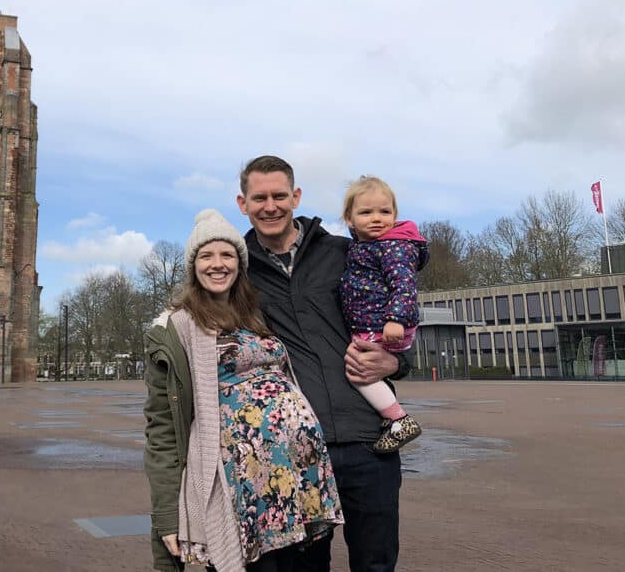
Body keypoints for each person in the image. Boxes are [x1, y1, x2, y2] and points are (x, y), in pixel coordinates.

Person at [236, 155, 411, 572]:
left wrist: (396, 364)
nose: (271, 205)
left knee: (375, 562)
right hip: (295, 446)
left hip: (366, 439)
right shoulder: (237, 268)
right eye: (259, 197)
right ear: (243, 203)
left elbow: (398, 314)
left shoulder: (345, 253)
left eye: (280, 195)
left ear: (296, 196)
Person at [144, 209, 343, 572]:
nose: (217, 264)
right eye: (206, 256)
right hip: (242, 490)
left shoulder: (257, 314)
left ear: (239, 263)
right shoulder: (175, 328)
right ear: (193, 266)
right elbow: (162, 430)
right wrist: (166, 516)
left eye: (227, 255)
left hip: (298, 479)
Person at [340, 176, 428, 453]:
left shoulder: (394, 247)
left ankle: (398, 419)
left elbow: (404, 285)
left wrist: (396, 319)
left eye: (385, 212)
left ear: (395, 214)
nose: (377, 219)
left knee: (358, 371)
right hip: (375, 321)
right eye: (366, 212)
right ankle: (386, 416)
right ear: (349, 219)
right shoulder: (364, 247)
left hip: (385, 324)